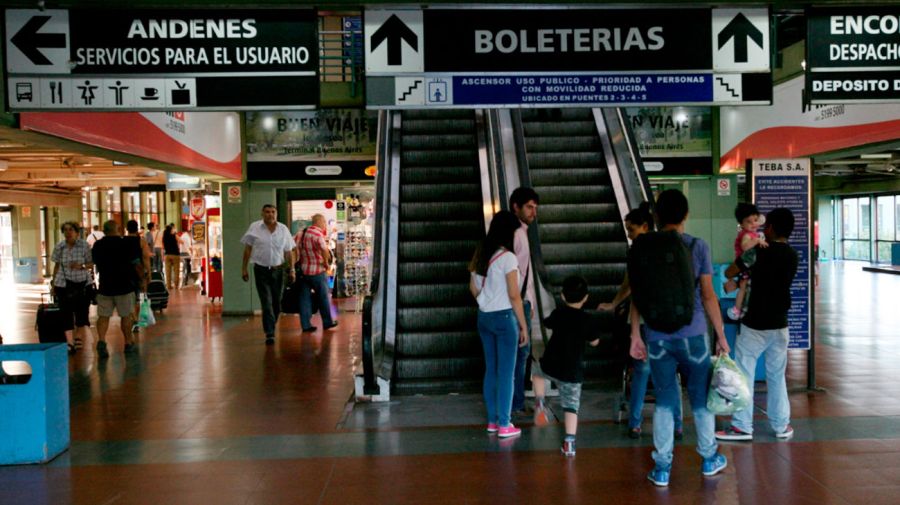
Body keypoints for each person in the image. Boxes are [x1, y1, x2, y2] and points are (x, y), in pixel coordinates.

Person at [628, 189, 730, 487]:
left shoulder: (643, 247)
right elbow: (709, 296)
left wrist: (636, 334)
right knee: (700, 398)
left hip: (657, 335)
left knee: (664, 399)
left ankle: (662, 467)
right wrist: (721, 335)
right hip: (694, 335)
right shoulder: (698, 246)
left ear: (656, 217)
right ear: (685, 215)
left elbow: (638, 295)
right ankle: (709, 458)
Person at [598, 203, 684, 440]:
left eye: (631, 229)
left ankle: (635, 423)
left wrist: (627, 321)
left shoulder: (639, 252)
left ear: (645, 226)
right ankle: (677, 423)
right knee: (669, 372)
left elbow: (633, 289)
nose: (629, 234)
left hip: (647, 322)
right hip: (670, 321)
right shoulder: (671, 246)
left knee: (641, 370)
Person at [717, 208, 798, 442]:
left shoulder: (757, 253)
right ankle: (782, 425)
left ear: (770, 228)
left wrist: (743, 273)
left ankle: (742, 426)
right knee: (776, 375)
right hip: (780, 324)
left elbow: (732, 270)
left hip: (755, 324)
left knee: (744, 373)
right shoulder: (793, 255)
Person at [468, 210, 529, 439]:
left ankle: (493, 422)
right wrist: (523, 326)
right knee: (507, 373)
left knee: (491, 370)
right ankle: (505, 424)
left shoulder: (480, 254)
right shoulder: (508, 258)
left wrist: (484, 301)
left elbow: (473, 288)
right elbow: (514, 296)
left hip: (484, 318)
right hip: (504, 319)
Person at [531, 275, 599, 456]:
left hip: (552, 363)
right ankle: (569, 442)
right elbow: (595, 342)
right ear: (586, 297)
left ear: (562, 296)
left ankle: (539, 402)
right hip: (572, 370)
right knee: (571, 406)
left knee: (537, 371)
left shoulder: (558, 313)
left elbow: (547, 323)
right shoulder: (587, 319)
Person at [241, 204, 296, 345]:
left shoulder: (283, 229)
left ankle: (271, 322)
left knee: (277, 302)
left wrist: (292, 269)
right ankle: (270, 333)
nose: (270, 214)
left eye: (273, 212)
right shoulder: (255, 228)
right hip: (261, 270)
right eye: (267, 212)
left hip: (278, 270)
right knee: (266, 302)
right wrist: (244, 268)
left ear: (276, 214)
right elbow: (248, 249)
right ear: (262, 213)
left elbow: (289, 251)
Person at [508, 187, 539, 418]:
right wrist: (523, 309)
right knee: (520, 354)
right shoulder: (518, 235)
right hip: (517, 303)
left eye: (535, 207)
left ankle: (513, 400)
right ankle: (516, 402)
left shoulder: (520, 233)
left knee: (518, 354)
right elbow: (515, 276)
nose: (534, 212)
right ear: (515, 207)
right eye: (529, 207)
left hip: (520, 301)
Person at [92, 220, 143, 358]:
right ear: (118, 229)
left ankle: (102, 341)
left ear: (104, 230)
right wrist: (142, 279)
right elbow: (136, 263)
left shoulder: (98, 245)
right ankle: (128, 343)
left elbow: (94, 263)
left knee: (103, 316)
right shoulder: (126, 243)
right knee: (126, 316)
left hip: (105, 287)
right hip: (124, 286)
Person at [50, 221, 93, 354]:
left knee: (82, 312)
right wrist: (53, 283)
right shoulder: (60, 247)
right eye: (65, 230)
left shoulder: (84, 246)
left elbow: (91, 263)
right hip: (63, 283)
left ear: (77, 232)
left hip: (82, 284)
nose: (68, 233)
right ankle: (69, 342)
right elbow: (57, 265)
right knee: (65, 313)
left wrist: (82, 266)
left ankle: (78, 338)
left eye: (71, 230)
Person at [295, 214, 338, 333]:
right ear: (319, 221)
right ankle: (327, 322)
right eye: (324, 222)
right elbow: (324, 249)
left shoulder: (301, 233)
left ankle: (306, 325)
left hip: (303, 271)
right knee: (323, 297)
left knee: (304, 299)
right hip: (317, 271)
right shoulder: (318, 234)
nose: (325, 225)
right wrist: (325, 263)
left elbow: (293, 248)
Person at [726, 203, 767, 320]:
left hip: (747, 267)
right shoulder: (746, 235)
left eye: (755, 220)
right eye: (749, 222)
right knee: (743, 287)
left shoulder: (753, 233)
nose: (753, 224)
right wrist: (757, 240)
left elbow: (761, 220)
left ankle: (739, 309)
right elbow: (745, 246)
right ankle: (737, 310)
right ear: (741, 224)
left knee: (745, 287)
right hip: (744, 266)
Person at [125, 220, 151, 332]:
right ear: (137, 229)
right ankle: (138, 320)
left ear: (127, 229)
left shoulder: (122, 241)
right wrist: (148, 272)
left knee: (127, 297)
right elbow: (145, 257)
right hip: (139, 272)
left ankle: (132, 318)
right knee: (139, 296)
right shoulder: (141, 241)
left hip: (125, 273)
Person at [163, 224, 181, 290]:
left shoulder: (164, 236)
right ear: (171, 230)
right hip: (175, 255)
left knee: (168, 271)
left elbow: (163, 246)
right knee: (176, 271)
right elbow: (181, 241)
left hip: (167, 255)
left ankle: (169, 286)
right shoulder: (174, 236)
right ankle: (176, 286)